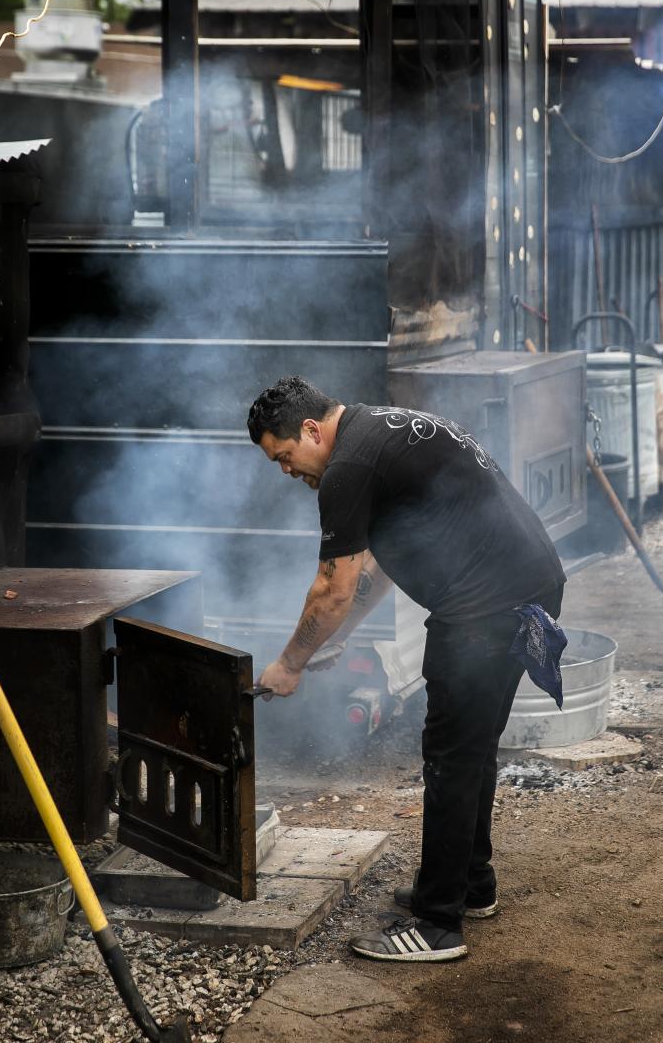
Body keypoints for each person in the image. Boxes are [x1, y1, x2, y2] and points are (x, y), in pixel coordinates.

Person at [248, 375, 567, 963]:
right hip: (530, 590)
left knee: (449, 758)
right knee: (473, 748)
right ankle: (471, 885)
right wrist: (333, 637)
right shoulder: (379, 432)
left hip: (484, 613)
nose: (287, 471)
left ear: (312, 430)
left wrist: (289, 664)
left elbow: (332, 587)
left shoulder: (347, 468)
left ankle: (437, 925)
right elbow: (376, 567)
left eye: (285, 456)